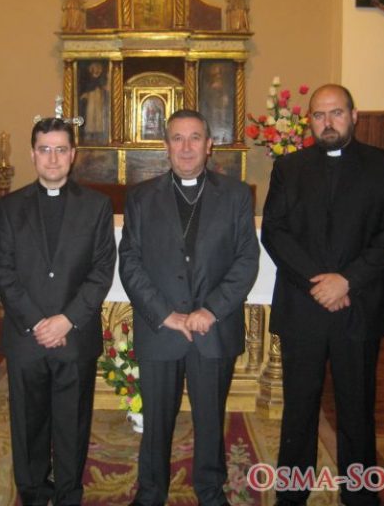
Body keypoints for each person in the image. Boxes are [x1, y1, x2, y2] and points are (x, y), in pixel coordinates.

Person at [261, 84, 384, 506]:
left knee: (357, 407)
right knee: (299, 407)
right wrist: (320, 282)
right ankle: (292, 495)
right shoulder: (289, 167)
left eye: (336, 113)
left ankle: (359, 495)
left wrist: (347, 280)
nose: (327, 122)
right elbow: (275, 231)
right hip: (303, 305)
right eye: (319, 115)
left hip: (358, 305)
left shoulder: (383, 166)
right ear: (309, 120)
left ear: (354, 115)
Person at [119, 109, 260, 506]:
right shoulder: (142, 197)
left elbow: (246, 260)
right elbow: (129, 261)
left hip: (211, 328)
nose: (185, 147)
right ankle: (151, 493)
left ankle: (211, 492)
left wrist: (211, 310)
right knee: (156, 422)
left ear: (209, 145)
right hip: (160, 328)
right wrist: (165, 313)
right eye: (177, 138)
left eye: (194, 137)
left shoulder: (235, 195)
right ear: (166, 146)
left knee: (210, 420)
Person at [0, 117, 116, 506]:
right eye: (44, 149)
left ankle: (67, 492)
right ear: (32, 154)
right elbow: (3, 270)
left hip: (74, 336)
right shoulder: (11, 207)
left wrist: (67, 319)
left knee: (71, 423)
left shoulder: (96, 206)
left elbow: (102, 271)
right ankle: (31, 492)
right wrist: (36, 322)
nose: (53, 158)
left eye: (61, 149)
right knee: (27, 422)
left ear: (73, 155)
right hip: (25, 337)